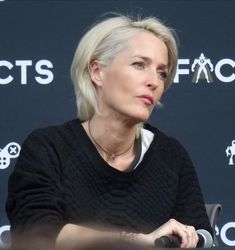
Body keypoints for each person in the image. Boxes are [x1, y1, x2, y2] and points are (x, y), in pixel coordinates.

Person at [6, 13, 212, 250]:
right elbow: (36, 230)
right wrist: (138, 241)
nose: (154, 81)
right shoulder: (48, 148)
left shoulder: (171, 156)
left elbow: (199, 235)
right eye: (139, 65)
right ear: (97, 72)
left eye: (162, 73)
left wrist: (187, 238)